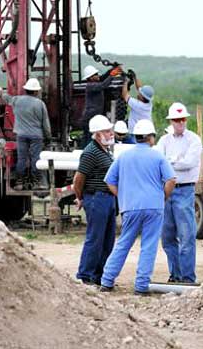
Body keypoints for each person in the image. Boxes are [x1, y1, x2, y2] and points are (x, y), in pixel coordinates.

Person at [100, 119, 176, 295]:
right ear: (150, 137)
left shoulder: (124, 156)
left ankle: (107, 280)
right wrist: (162, 196)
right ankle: (141, 286)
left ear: (135, 137)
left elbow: (109, 180)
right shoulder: (157, 156)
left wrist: (123, 196)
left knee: (124, 243)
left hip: (131, 206)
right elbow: (171, 179)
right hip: (154, 207)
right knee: (148, 245)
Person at [156, 102, 202, 283]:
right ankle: (176, 274)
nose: (180, 122)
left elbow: (189, 163)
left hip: (184, 189)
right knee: (167, 236)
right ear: (171, 121)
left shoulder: (194, 140)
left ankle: (187, 277)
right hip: (167, 191)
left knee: (186, 236)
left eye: (182, 119)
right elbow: (160, 162)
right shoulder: (164, 140)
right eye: (177, 119)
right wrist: (176, 161)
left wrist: (170, 161)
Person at [73, 115, 117, 286]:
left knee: (107, 239)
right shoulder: (91, 152)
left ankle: (98, 275)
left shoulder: (104, 150)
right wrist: (80, 197)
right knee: (96, 238)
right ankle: (85, 275)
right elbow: (79, 178)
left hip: (106, 198)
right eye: (107, 131)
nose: (110, 133)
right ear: (97, 134)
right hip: (97, 197)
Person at [0, 78, 51, 189]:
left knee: (22, 158)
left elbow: (6, 98)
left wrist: (0, 91)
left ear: (26, 89)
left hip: (21, 135)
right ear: (36, 91)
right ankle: (36, 183)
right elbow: (46, 123)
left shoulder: (17, 100)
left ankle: (19, 183)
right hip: (36, 136)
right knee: (36, 158)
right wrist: (48, 136)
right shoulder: (40, 104)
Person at [81, 65, 122, 147]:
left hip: (92, 116)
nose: (98, 75)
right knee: (89, 139)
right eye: (96, 74)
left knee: (90, 138)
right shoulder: (90, 86)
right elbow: (103, 85)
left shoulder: (94, 83)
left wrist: (110, 71)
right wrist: (112, 75)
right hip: (90, 117)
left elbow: (102, 78)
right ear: (91, 77)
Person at [121, 72, 154, 143]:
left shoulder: (137, 105)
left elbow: (125, 95)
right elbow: (139, 88)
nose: (138, 93)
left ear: (142, 97)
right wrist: (135, 78)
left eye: (140, 94)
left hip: (135, 133)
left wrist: (125, 81)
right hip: (147, 132)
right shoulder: (149, 103)